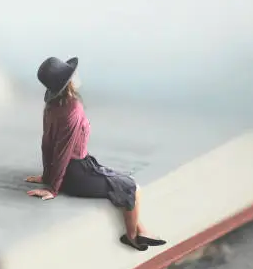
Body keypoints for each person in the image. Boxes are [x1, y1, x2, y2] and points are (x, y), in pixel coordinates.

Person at [25, 56, 166, 251]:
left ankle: (142, 232)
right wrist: (53, 188)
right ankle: (132, 237)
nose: (76, 76)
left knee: (120, 182)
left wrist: (47, 175)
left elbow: (47, 143)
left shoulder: (52, 107)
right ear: (67, 83)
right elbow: (62, 151)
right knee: (133, 187)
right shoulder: (73, 108)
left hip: (77, 168)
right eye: (71, 75)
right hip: (75, 174)